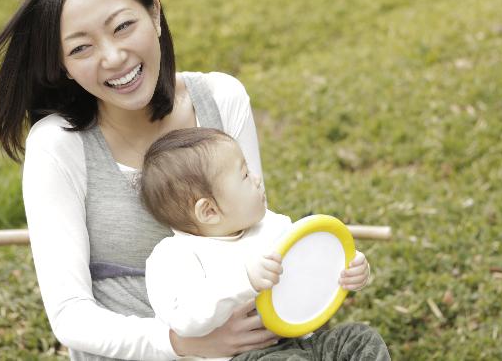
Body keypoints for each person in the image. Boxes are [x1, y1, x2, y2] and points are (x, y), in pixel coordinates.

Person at [0, 0, 287, 360]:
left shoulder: (221, 98)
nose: (114, 57)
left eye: (122, 26)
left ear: (154, 14)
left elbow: (256, 230)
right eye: (80, 47)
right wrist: (179, 343)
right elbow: (70, 315)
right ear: (63, 65)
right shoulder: (58, 146)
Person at [140, 127, 389, 360]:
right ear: (209, 211)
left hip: (305, 341)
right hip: (247, 355)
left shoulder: (272, 226)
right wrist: (245, 280)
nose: (257, 179)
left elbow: (312, 264)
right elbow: (185, 318)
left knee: (359, 338)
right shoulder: (175, 256)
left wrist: (349, 268)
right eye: (245, 175)